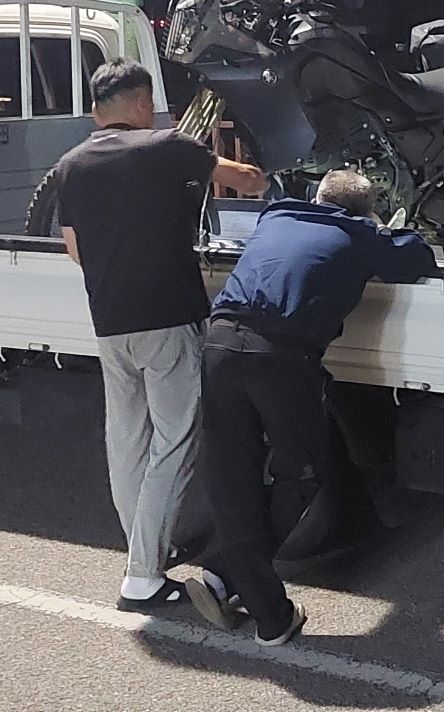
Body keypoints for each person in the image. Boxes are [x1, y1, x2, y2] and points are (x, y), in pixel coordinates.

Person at [185, 170, 436, 645]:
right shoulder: (359, 233)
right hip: (279, 357)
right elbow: (416, 259)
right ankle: (267, 612)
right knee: (299, 475)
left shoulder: (275, 216)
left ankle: (224, 576)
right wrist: (387, 229)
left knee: (233, 475)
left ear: (316, 197)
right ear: (362, 209)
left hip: (218, 343)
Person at [55, 57, 267, 612]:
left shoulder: (70, 165)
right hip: (167, 318)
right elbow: (242, 179)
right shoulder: (166, 145)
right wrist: (267, 179)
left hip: (110, 323)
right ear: (142, 104)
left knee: (127, 438)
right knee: (177, 439)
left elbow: (75, 248)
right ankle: (143, 576)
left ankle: (146, 546)